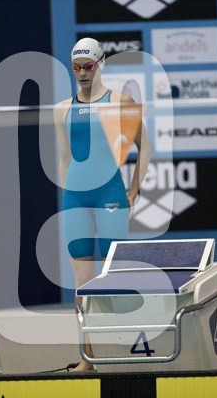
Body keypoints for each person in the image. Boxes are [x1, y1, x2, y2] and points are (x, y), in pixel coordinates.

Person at [53, 37, 151, 371]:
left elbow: (145, 147)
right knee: (82, 284)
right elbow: (65, 159)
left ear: (100, 64)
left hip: (111, 194)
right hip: (75, 198)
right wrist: (68, 195)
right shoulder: (62, 109)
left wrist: (134, 191)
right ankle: (88, 359)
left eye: (88, 66)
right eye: (76, 67)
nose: (82, 73)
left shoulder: (120, 102)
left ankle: (126, 351)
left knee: (115, 279)